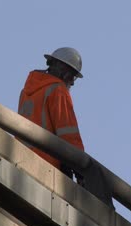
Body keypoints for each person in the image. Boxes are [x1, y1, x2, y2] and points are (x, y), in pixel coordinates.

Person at [18, 47, 84, 182]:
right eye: (72, 75)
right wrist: (80, 166)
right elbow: (69, 135)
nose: (72, 82)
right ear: (61, 68)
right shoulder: (58, 90)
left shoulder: (26, 91)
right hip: (46, 168)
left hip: (20, 160)